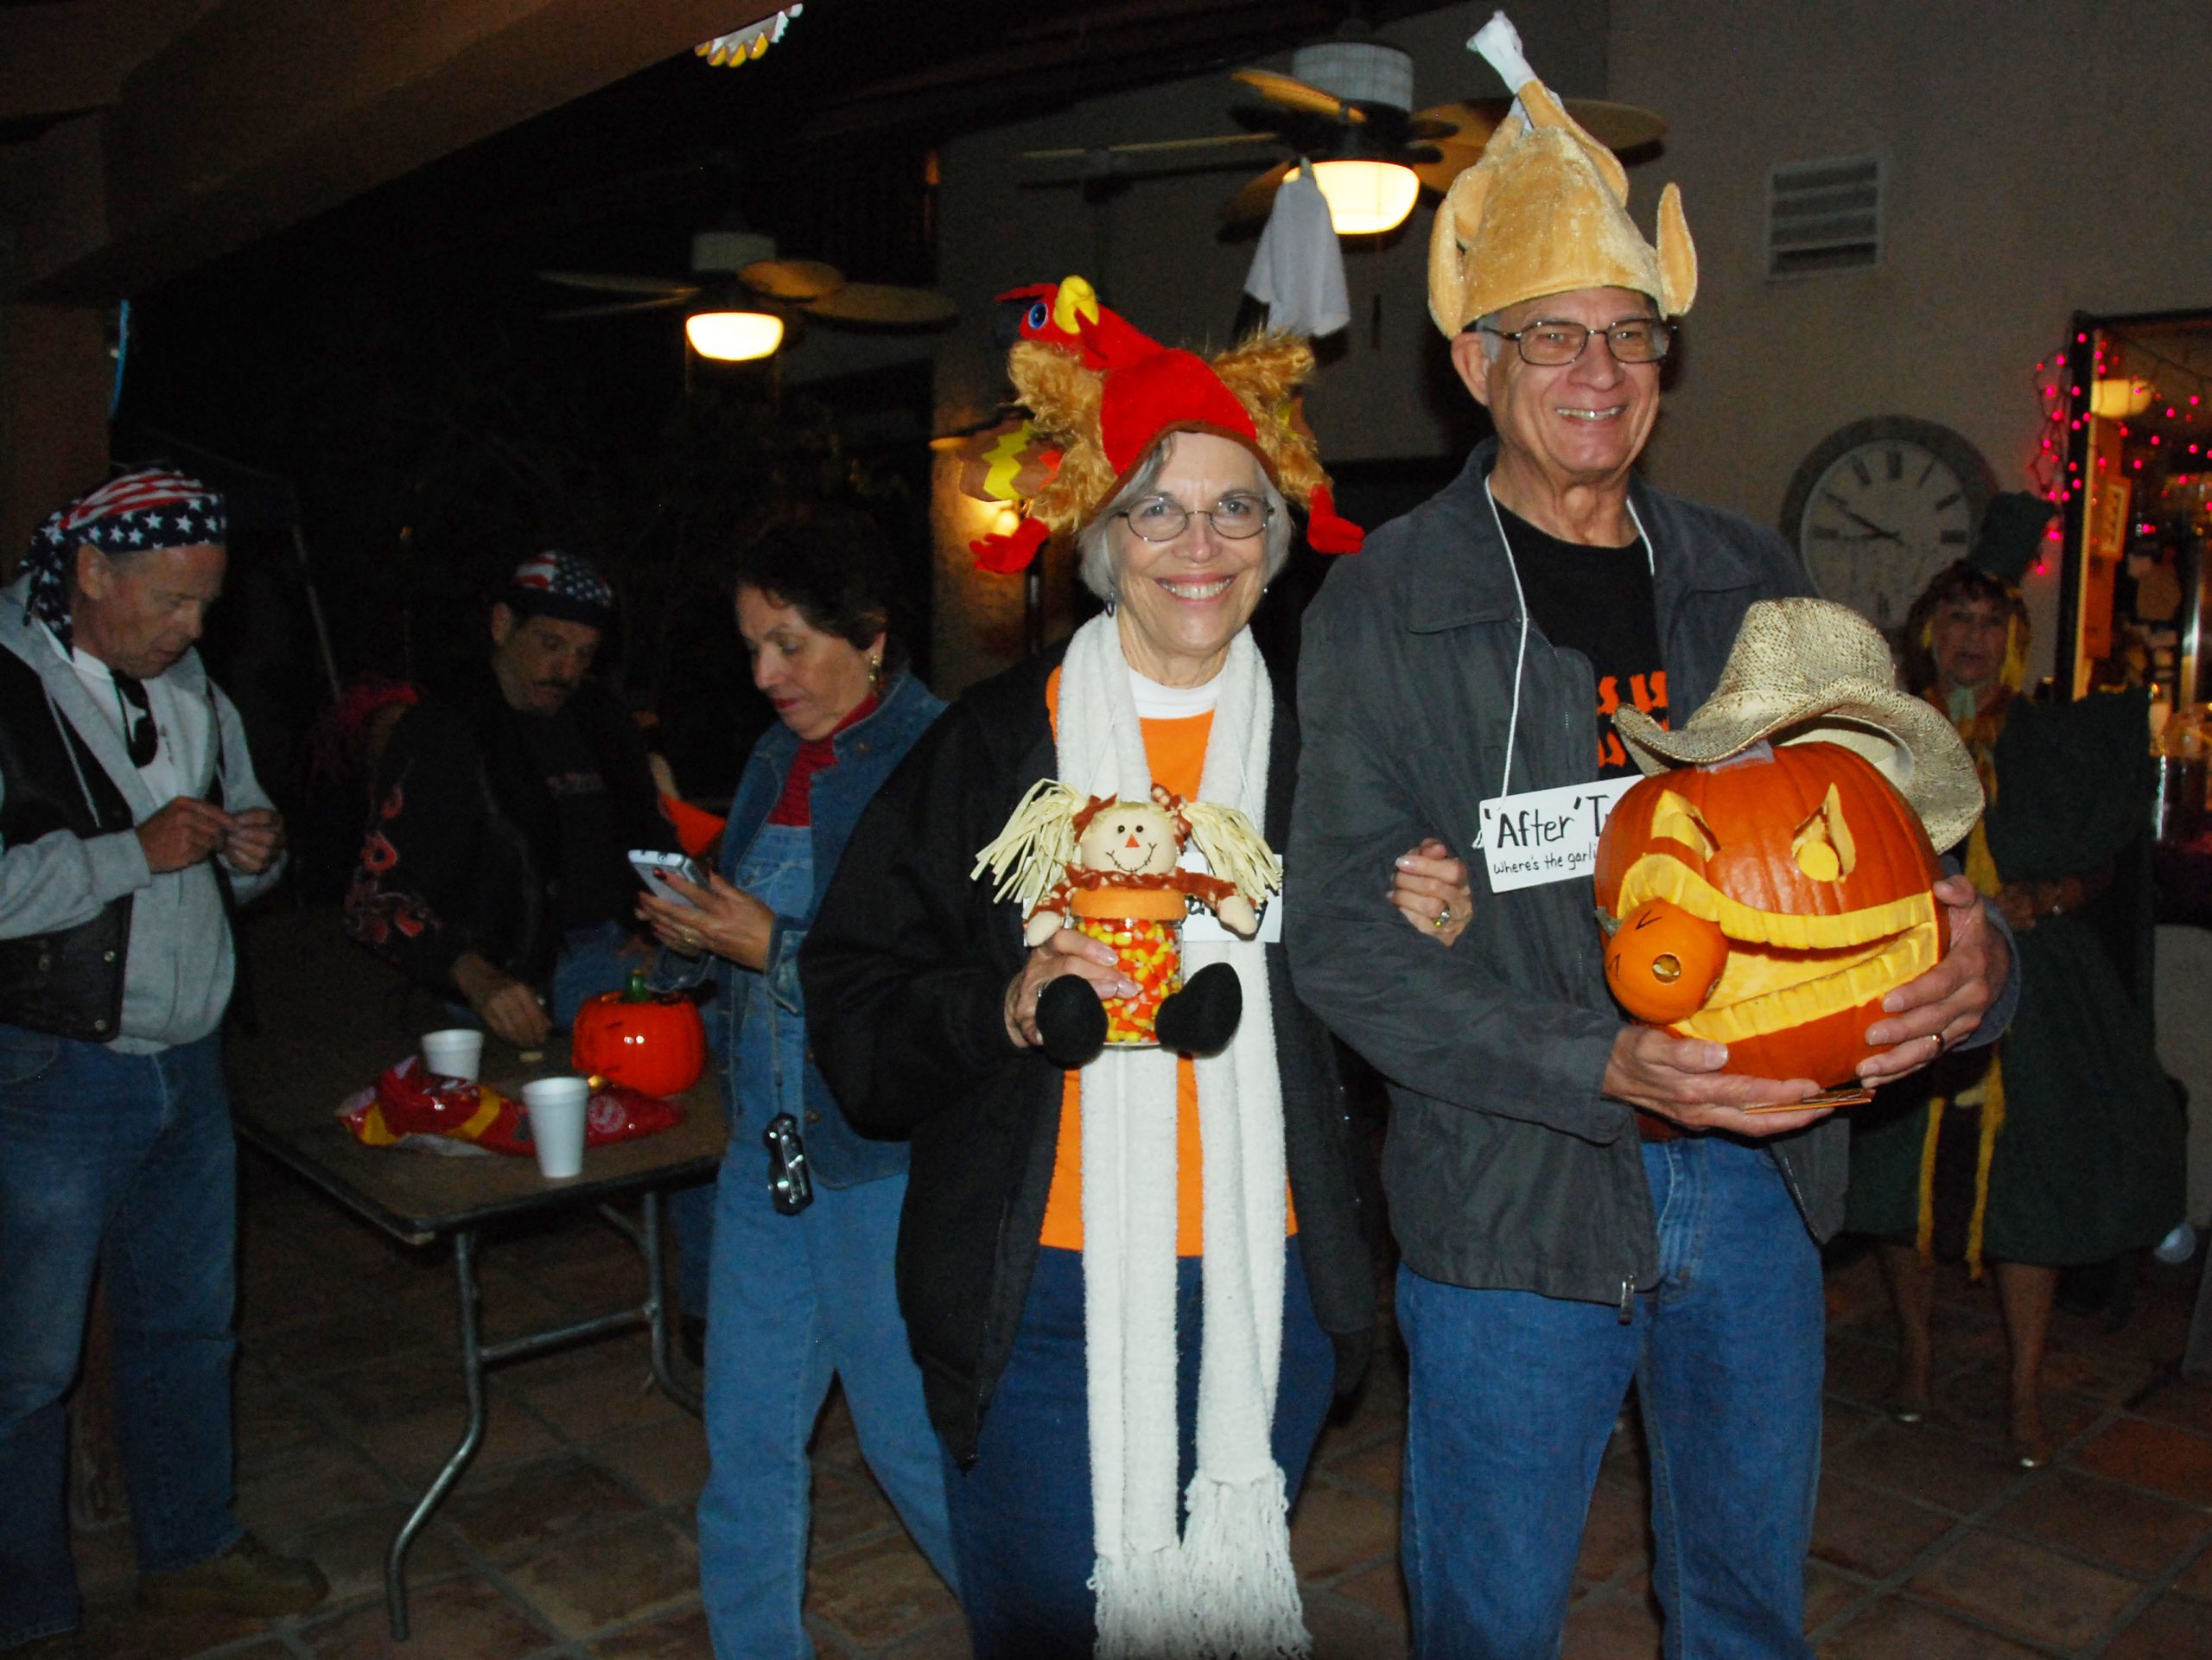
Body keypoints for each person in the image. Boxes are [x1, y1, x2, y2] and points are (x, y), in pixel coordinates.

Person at [1284, 23, 2015, 1660]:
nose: (1599, 374)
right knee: (1491, 1619)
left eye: (1632, 337)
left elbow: (1900, 844)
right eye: (1552, 337)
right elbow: (1336, 933)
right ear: (1475, 363)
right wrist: (1602, 1060)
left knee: (1748, 1611)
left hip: (1759, 1184)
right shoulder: (1389, 601)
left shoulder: (1751, 578)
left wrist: (1983, 960)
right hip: (1511, 1206)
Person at [801, 289, 1471, 1659]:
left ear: (1276, 541)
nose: (1198, 543)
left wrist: (1429, 922)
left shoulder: (1328, 753)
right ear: (1102, 538)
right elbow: (854, 998)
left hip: (1262, 1288)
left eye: (1236, 510)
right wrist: (996, 1004)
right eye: (1156, 508)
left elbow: (1374, 1022)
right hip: (1039, 1294)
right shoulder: (992, 748)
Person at [0, 467, 326, 1650]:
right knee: (24, 1365)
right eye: (177, 602)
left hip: (186, 1064)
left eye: (208, 603)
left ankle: (189, 1551)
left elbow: (240, 860)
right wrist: (125, 854)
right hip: (52, 1073)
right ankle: (24, 1607)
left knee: (188, 1322)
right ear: (92, 572)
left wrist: (256, 849)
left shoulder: (191, 689)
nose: (197, 629)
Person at [631, 505, 952, 1659]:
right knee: (748, 1440)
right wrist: (686, 935)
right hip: (765, 1152)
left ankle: (1044, 1627)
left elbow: (944, 985)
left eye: (790, 644)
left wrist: (772, 945)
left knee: (911, 1442)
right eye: (753, 646)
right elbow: (746, 935)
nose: (766, 674)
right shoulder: (777, 759)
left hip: (881, 1166)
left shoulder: (941, 758)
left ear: (868, 634)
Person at [1846, 494, 2183, 1467]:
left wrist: (2047, 892)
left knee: (2028, 1186)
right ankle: (1911, 1357)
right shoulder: (1887, 742)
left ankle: (2023, 1390)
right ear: (1927, 633)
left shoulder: (2051, 741)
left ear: (2014, 636)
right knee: (1893, 1172)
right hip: (1907, 974)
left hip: (2036, 985)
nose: (1973, 636)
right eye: (1956, 618)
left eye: (1992, 621)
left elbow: (2108, 864)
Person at [345, 550, 673, 1042]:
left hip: (624, 947)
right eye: (551, 644)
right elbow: (372, 902)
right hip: (517, 969)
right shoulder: (444, 731)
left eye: (583, 654)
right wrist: (475, 973)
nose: (565, 668)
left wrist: (664, 925)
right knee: (705, 1018)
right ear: (502, 625)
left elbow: (655, 838)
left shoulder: (603, 720)